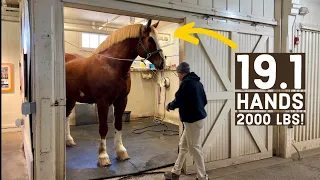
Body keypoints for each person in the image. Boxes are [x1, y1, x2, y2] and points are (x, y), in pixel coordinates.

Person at [164, 62, 208, 180]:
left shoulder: (186, 84)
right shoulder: (198, 83)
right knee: (183, 146)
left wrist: (169, 106)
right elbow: (204, 101)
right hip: (196, 120)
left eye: (178, 73)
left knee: (195, 148)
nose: (178, 75)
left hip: (192, 121)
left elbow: (179, 100)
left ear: (181, 73)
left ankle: (203, 177)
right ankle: (175, 172)